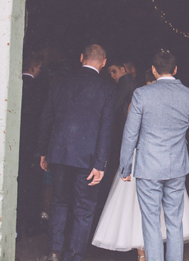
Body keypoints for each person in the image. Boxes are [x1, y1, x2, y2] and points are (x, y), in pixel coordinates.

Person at [94, 65, 189, 261]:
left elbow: (130, 133)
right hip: (176, 164)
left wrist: (125, 165)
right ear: (176, 69)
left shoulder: (141, 95)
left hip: (148, 164)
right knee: (174, 221)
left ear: (153, 70)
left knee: (151, 222)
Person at [39, 41, 120, 261]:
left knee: (59, 202)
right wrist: (101, 162)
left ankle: (54, 251)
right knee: (84, 209)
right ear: (103, 63)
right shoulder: (108, 88)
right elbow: (106, 127)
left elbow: (47, 117)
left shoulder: (61, 81)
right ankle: (75, 255)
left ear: (81, 58)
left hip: (59, 153)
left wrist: (43, 151)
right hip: (88, 157)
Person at [19, 49, 48, 239]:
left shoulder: (12, 84)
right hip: (32, 144)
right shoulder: (38, 89)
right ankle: (28, 224)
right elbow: (41, 119)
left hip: (16, 142)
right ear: (34, 67)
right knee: (31, 185)